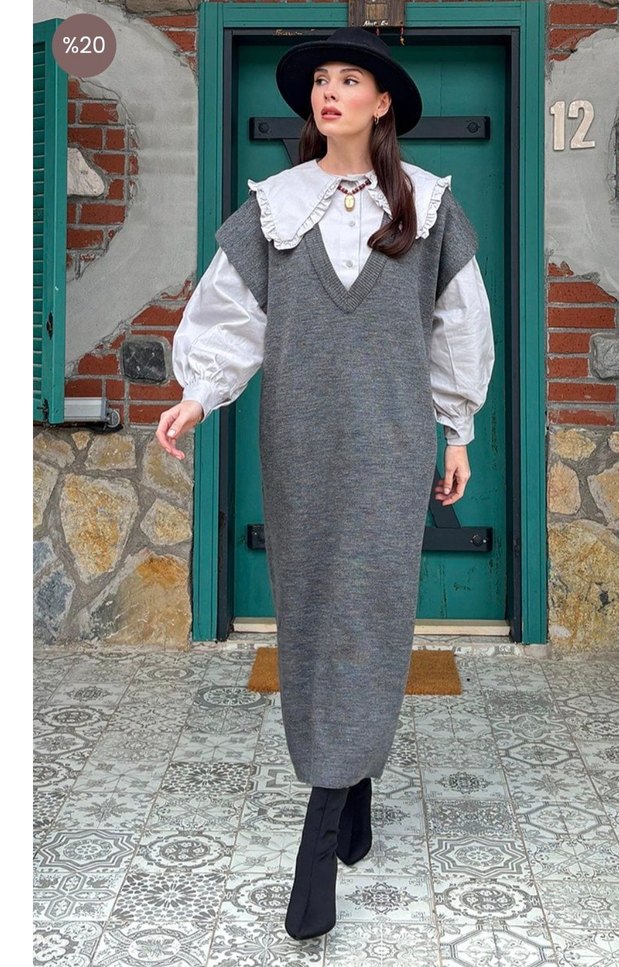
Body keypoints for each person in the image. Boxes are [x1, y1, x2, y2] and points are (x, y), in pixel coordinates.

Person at [156, 25, 494, 942]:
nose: (330, 91)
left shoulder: (428, 205)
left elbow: (459, 326)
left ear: (381, 105)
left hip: (391, 443)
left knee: (371, 610)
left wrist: (457, 429)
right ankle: (353, 784)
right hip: (299, 442)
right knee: (310, 610)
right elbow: (228, 319)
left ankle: (320, 833)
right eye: (320, 81)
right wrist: (197, 395)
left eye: (350, 79)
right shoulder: (273, 207)